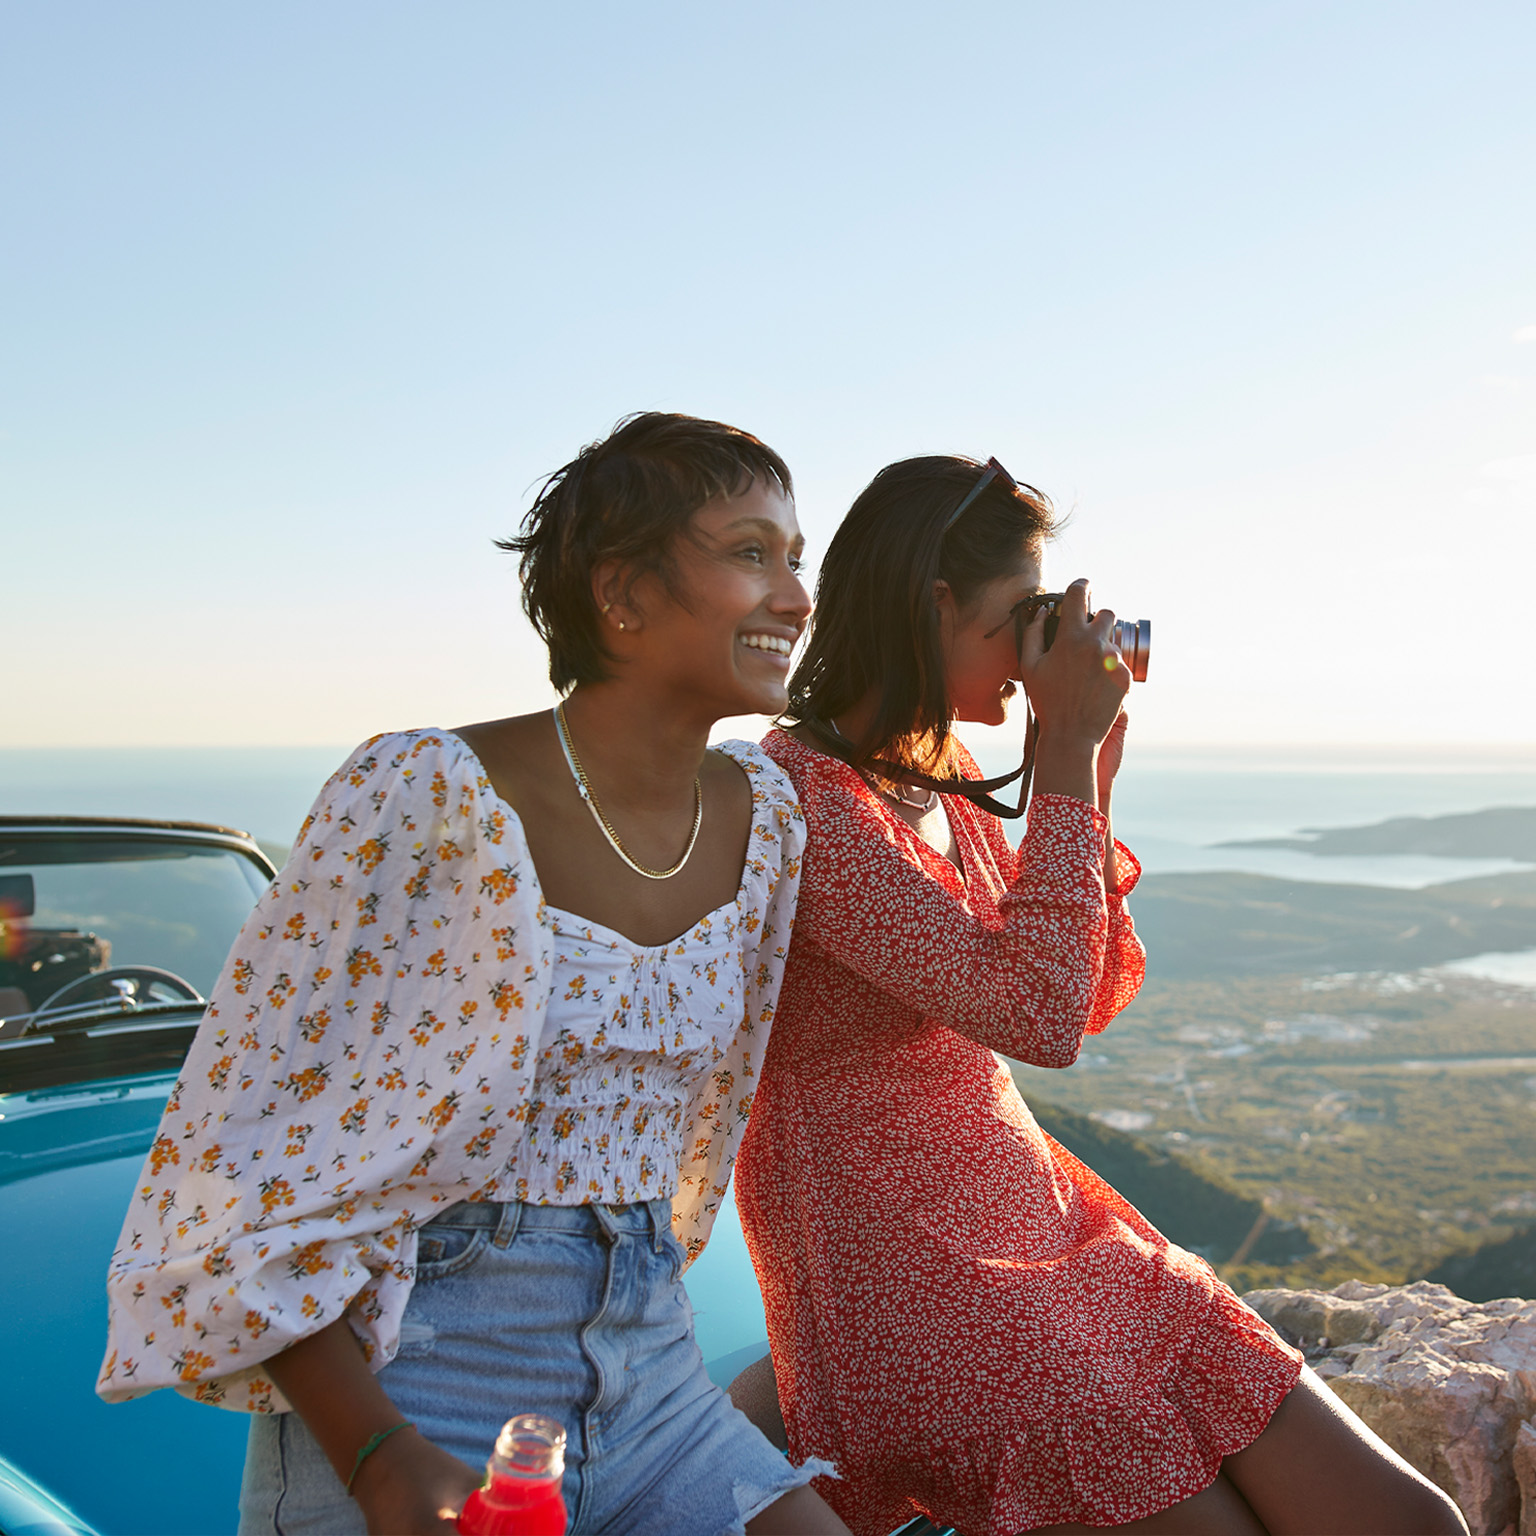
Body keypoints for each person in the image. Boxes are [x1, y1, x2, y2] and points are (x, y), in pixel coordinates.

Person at [96, 412, 853, 1536]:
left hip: (652, 1364)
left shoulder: (767, 816)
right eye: (752, 553)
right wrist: (379, 1455)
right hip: (421, 1385)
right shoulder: (429, 797)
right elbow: (241, 1164)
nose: (796, 594)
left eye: (798, 559)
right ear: (623, 594)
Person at [731, 455, 1467, 1536]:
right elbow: (1033, 1023)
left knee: (1411, 1522)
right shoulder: (802, 801)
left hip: (1048, 1230)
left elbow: (1079, 998)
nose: (1041, 647)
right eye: (1021, 614)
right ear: (933, 604)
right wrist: (1063, 760)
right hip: (913, 1283)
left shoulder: (940, 788)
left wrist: (1089, 774)